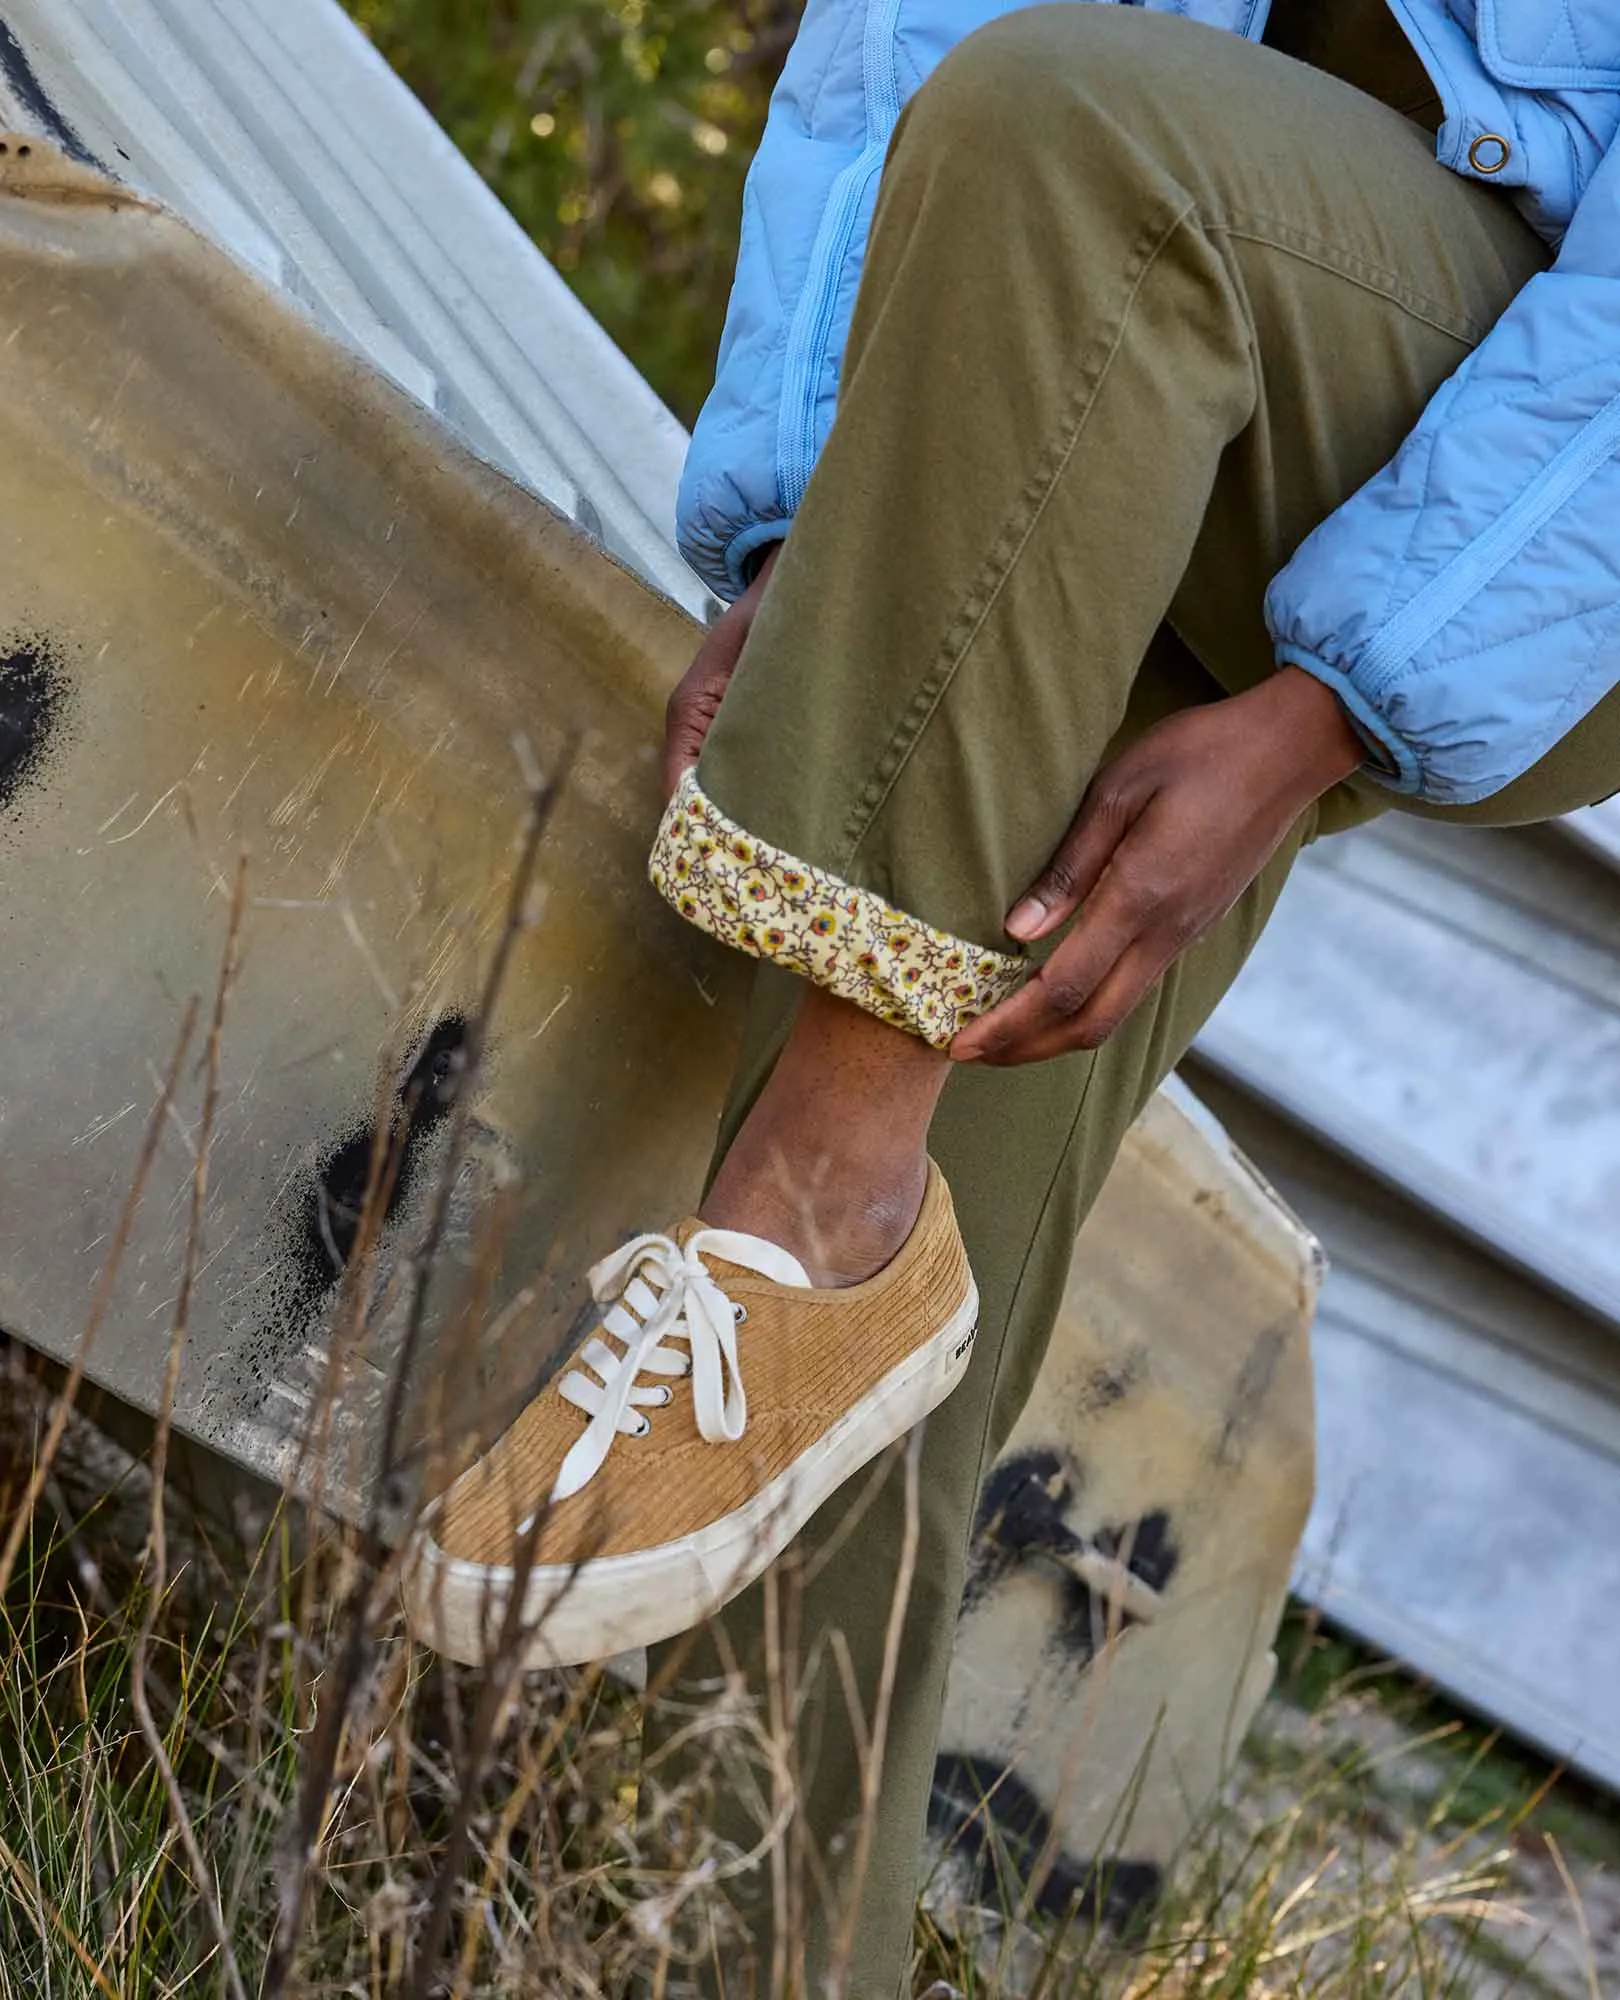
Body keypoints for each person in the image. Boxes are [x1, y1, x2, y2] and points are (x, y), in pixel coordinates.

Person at [405, 0, 1620, 1987]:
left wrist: (1329, 706)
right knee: (877, 1333)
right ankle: (776, 1951)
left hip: (1533, 408)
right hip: (1121, 318)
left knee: (1083, 139)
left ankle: (816, 1208)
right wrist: (834, 506)